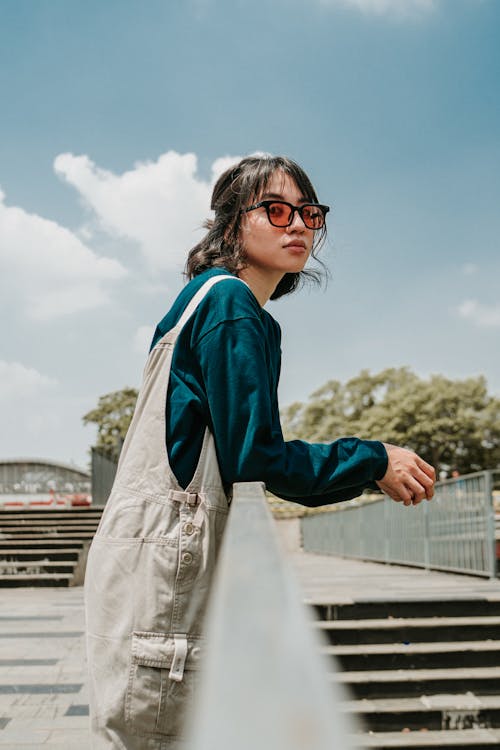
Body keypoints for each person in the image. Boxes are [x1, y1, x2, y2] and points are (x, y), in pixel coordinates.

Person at [84, 155, 435, 749]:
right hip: (166, 580)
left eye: (310, 213)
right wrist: (374, 460)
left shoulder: (209, 302)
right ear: (230, 226)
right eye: (276, 210)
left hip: (142, 564)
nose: (297, 224)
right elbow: (259, 459)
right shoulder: (230, 306)